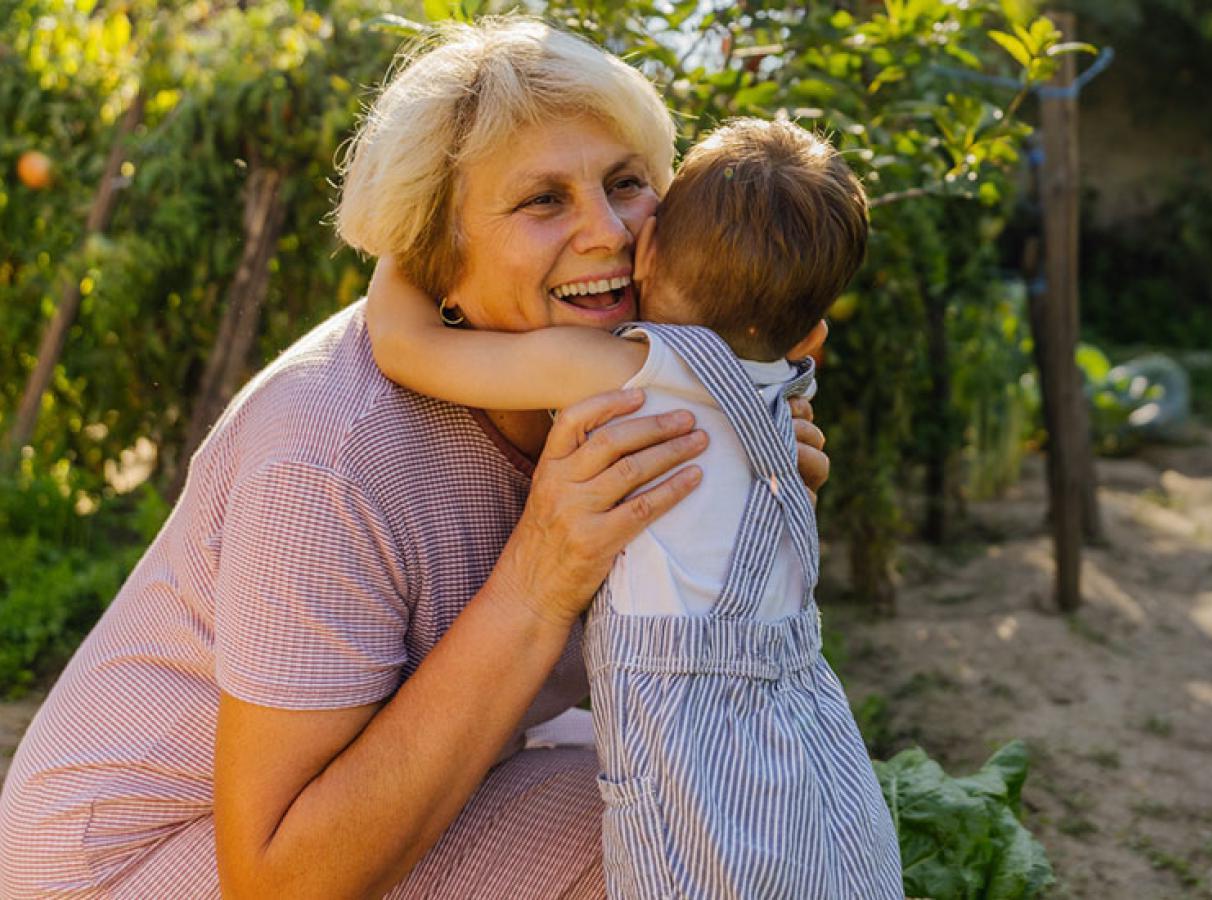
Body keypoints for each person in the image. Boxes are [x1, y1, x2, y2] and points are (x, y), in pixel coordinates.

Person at [0, 19, 830, 898]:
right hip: (140, 863)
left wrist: (753, 524)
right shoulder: (328, 458)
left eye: (628, 183)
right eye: (543, 201)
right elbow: (277, 882)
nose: (610, 231)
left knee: (748, 802)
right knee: (670, 845)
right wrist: (540, 577)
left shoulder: (643, 384)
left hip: (378, 794)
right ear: (442, 261)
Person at [364, 117, 903, 898]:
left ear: (644, 254)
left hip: (681, 733)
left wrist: (408, 242)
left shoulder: (622, 367)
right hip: (798, 716)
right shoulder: (787, 394)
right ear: (811, 336)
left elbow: (407, 347)